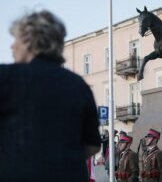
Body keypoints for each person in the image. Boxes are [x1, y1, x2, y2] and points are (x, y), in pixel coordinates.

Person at [0, 10, 101, 181]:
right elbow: (92, 145)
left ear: (27, 40)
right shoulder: (79, 85)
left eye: (15, 39)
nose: (12, 46)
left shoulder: (7, 77)